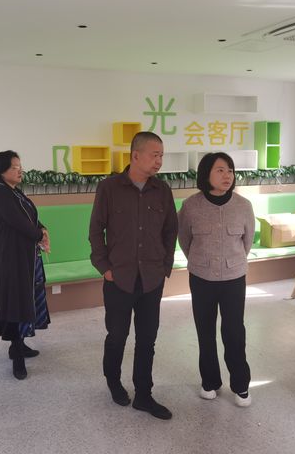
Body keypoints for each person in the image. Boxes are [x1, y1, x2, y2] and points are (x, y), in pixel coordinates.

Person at [89, 131, 178, 420]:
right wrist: (105, 267)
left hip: (151, 278)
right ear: (136, 155)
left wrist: (165, 266)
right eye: (155, 155)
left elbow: (171, 230)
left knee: (147, 339)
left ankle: (143, 395)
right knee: (117, 336)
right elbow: (96, 230)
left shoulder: (162, 190)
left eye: (162, 155)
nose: (159, 161)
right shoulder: (109, 188)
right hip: (119, 278)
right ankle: (113, 382)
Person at [177, 152, 255, 407]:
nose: (227, 175)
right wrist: (202, 261)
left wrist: (231, 262)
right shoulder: (190, 206)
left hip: (234, 277)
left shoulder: (244, 206)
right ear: (206, 174)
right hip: (201, 277)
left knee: (234, 332)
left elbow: (247, 242)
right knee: (205, 331)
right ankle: (209, 381)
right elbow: (184, 240)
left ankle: (241, 385)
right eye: (220, 170)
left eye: (230, 170)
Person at [0, 150, 50, 380]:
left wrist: (42, 229)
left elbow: (30, 216)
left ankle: (20, 343)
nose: (19, 170)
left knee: (25, 301)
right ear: (1, 171)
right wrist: (39, 235)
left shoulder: (14, 191)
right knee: (16, 303)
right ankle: (16, 356)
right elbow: (19, 223)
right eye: (14, 167)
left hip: (25, 256)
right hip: (11, 259)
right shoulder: (0, 193)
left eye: (19, 166)